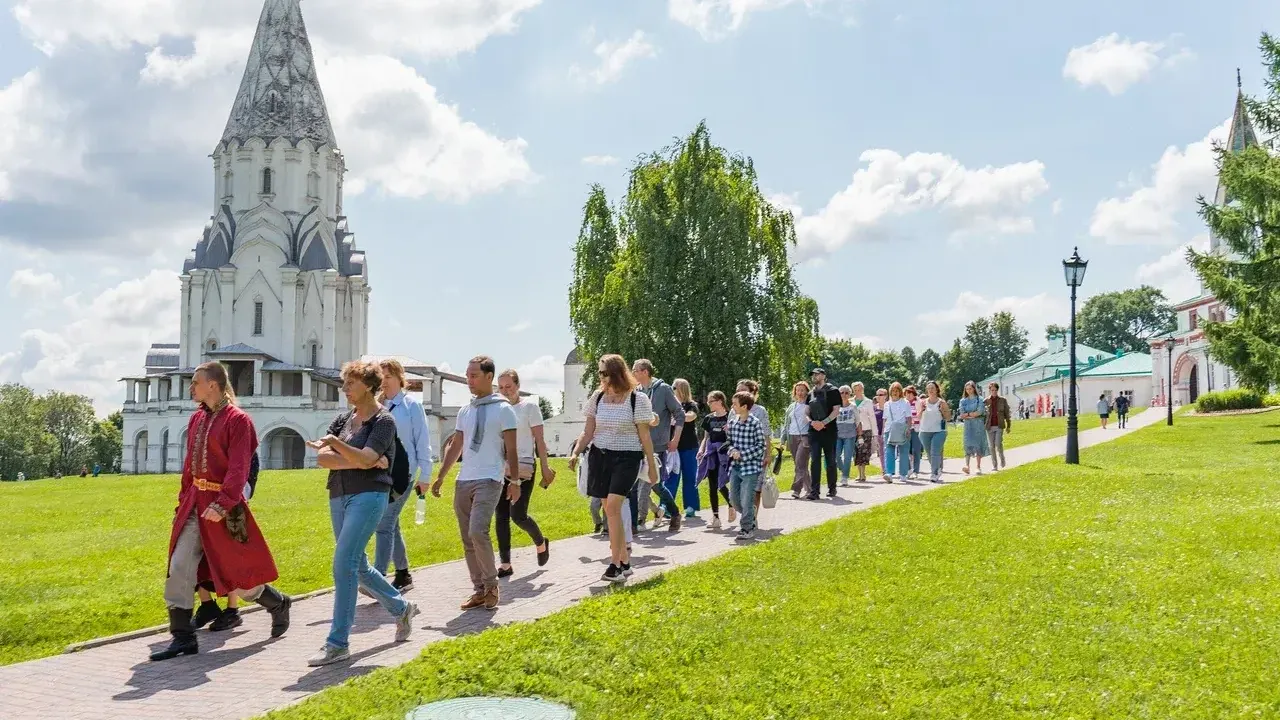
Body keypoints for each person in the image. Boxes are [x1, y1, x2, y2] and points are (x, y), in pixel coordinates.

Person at [150, 361, 291, 663]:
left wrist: (224, 502)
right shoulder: (196, 419)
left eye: (196, 383)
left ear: (212, 385)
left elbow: (240, 469)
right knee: (179, 566)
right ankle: (183, 638)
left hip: (222, 509)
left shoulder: (239, 421)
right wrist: (182, 501)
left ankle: (277, 602)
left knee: (237, 577)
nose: (191, 387)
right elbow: (189, 467)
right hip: (194, 505)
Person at [308, 360, 417, 667]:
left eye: (350, 384)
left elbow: (366, 456)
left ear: (368, 385)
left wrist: (342, 449)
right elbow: (323, 459)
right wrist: (359, 458)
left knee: (344, 563)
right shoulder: (343, 419)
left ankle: (338, 643)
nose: (345, 389)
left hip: (370, 496)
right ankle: (402, 608)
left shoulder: (383, 421)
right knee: (359, 566)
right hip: (339, 495)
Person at [428, 356, 520, 611]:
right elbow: (456, 444)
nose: (469, 380)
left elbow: (512, 448)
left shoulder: (504, 409)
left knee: (478, 531)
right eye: (467, 375)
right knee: (467, 539)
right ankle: (479, 590)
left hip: (490, 478)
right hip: (464, 479)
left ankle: (492, 586)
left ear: (489, 377)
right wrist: (442, 475)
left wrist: (514, 480)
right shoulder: (465, 410)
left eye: (474, 375)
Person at [571, 354, 659, 583]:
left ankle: (615, 565)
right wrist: (576, 451)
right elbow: (588, 431)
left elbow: (645, 436)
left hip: (627, 458)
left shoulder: (637, 400)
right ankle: (625, 561)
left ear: (617, 373)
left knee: (612, 507)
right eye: (599, 373)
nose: (601, 377)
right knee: (609, 510)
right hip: (600, 458)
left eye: (604, 372)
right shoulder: (597, 398)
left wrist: (652, 466)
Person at [373, 359, 433, 592]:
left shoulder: (411, 407)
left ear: (400, 378)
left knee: (384, 523)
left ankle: (377, 578)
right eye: (381, 378)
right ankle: (403, 573)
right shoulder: (375, 406)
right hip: (377, 475)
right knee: (392, 523)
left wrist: (425, 475)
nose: (384, 382)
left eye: (388, 377)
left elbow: (423, 441)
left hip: (403, 475)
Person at [495, 369, 554, 579]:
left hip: (524, 465)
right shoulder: (497, 409)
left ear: (517, 386)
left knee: (517, 515)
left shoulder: (529, 407)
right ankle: (505, 563)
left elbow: (540, 440)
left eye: (508, 386)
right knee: (500, 515)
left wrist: (545, 467)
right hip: (501, 466)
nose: (504, 391)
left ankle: (540, 541)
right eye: (500, 387)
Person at [632, 360, 683, 531]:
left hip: (658, 446)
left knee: (647, 484)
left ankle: (640, 520)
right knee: (654, 485)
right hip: (638, 445)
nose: (632, 373)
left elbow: (679, 414)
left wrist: (675, 439)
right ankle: (674, 513)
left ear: (645, 371)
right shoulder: (637, 392)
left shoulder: (663, 389)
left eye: (635, 370)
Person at [725, 391, 767, 540]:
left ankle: (746, 528)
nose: (732, 406)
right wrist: (733, 450)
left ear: (744, 406)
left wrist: (743, 454)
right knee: (734, 499)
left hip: (750, 469)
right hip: (736, 468)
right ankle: (750, 513)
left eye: (735, 404)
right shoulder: (732, 422)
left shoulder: (755, 423)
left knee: (746, 498)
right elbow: (728, 443)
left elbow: (761, 446)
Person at [696, 391, 735, 529]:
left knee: (721, 483)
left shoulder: (730, 417)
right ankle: (716, 517)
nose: (708, 404)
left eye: (711, 401)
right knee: (712, 485)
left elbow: (735, 436)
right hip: (711, 454)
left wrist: (729, 430)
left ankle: (732, 504)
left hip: (725, 455)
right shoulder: (708, 419)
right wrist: (701, 450)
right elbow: (706, 438)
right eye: (708, 401)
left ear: (719, 401)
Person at [806, 368, 843, 499]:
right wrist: (812, 422)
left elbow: (836, 410)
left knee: (830, 460)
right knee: (815, 460)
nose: (814, 377)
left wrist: (824, 422)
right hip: (814, 431)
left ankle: (832, 488)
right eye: (813, 375)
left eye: (816, 374)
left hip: (829, 431)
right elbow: (806, 412)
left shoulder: (833, 391)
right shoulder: (810, 393)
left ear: (823, 376)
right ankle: (814, 491)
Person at [668, 378, 701, 519]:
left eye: (674, 387)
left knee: (689, 477)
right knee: (671, 477)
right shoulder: (669, 405)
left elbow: (691, 416)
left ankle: (691, 506)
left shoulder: (691, 405)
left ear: (681, 389)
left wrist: (677, 417)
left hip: (688, 446)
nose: (672, 390)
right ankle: (668, 507)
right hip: (672, 447)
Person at [917, 381, 951, 483]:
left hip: (939, 431)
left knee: (935, 452)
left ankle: (934, 473)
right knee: (929, 454)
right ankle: (937, 468)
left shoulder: (941, 402)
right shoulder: (923, 402)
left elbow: (948, 417)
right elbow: (918, 417)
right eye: (928, 388)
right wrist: (921, 410)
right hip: (924, 431)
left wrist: (942, 411)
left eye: (932, 388)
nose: (930, 390)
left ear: (936, 389)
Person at [782, 381, 811, 499]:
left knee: (799, 463)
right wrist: (783, 439)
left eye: (802, 390)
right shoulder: (791, 407)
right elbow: (786, 424)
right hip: (792, 437)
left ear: (807, 392)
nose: (800, 392)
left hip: (805, 436)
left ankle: (797, 490)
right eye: (798, 390)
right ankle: (810, 489)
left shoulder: (810, 405)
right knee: (800, 465)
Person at [881, 383, 912, 483]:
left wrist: (908, 429)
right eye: (893, 391)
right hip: (889, 430)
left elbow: (908, 418)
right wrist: (883, 431)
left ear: (900, 392)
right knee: (889, 451)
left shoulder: (905, 403)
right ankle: (889, 473)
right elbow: (884, 419)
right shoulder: (887, 404)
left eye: (897, 390)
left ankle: (903, 474)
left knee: (903, 451)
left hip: (902, 429)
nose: (895, 393)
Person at [957, 381, 989, 475]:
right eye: (967, 389)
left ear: (974, 388)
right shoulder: (963, 401)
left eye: (970, 389)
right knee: (967, 443)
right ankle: (967, 465)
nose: (969, 391)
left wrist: (969, 414)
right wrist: (971, 415)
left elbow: (979, 412)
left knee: (978, 444)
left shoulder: (980, 399)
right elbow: (962, 414)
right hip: (968, 425)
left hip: (978, 424)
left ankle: (978, 466)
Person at [849, 382, 877, 483]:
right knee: (856, 452)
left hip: (866, 429)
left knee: (864, 452)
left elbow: (872, 418)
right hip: (854, 430)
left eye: (859, 389)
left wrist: (875, 433)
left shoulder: (868, 402)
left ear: (862, 389)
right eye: (855, 390)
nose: (857, 392)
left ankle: (863, 473)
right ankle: (858, 472)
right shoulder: (850, 402)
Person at [985, 382, 1012, 471]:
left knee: (998, 444)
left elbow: (1007, 413)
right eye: (992, 390)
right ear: (989, 390)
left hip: (999, 425)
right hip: (989, 426)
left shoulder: (1002, 400)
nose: (994, 392)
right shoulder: (985, 401)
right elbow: (983, 415)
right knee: (991, 446)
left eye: (995, 390)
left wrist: (1008, 425)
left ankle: (1002, 458)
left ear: (997, 390)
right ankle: (994, 465)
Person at [835, 386, 858, 486]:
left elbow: (858, 421)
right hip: (837, 434)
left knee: (847, 456)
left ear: (850, 394)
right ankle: (842, 468)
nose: (844, 395)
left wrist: (860, 434)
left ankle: (845, 476)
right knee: (836, 455)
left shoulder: (853, 406)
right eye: (842, 393)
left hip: (850, 434)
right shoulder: (835, 406)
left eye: (846, 393)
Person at [904, 385, 923, 480]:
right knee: (905, 449)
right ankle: (908, 469)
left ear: (913, 393)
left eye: (910, 393)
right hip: (907, 428)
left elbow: (921, 415)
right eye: (907, 393)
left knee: (916, 450)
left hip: (917, 428)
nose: (908, 395)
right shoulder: (904, 403)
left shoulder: (919, 402)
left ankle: (916, 471)